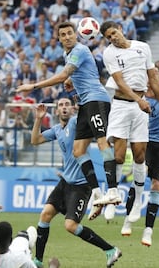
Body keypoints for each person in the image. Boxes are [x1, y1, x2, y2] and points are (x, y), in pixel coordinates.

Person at [16, 21, 120, 221]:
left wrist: (34, 86)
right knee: (78, 150)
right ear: (59, 38)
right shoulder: (68, 55)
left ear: (77, 34)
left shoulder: (80, 50)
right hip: (85, 104)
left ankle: (113, 190)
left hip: (97, 99)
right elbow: (78, 75)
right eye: (62, 35)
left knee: (101, 142)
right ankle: (97, 193)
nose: (67, 37)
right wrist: (73, 83)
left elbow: (64, 74)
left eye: (70, 33)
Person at [30, 99, 121, 268]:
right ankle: (38, 261)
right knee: (45, 215)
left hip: (81, 185)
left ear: (72, 109)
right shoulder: (57, 130)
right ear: (57, 111)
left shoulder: (76, 123)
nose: (64, 107)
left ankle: (110, 250)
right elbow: (34, 140)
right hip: (65, 182)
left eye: (66, 104)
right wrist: (38, 119)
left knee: (70, 226)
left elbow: (87, 116)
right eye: (60, 105)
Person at [100, 21, 159, 220]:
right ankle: (112, 197)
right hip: (121, 105)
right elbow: (119, 82)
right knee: (119, 156)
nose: (112, 38)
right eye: (108, 37)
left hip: (140, 105)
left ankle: (137, 202)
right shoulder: (109, 53)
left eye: (113, 33)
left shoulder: (143, 47)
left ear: (120, 28)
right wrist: (138, 100)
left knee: (139, 156)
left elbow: (153, 78)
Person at [120, 67, 159, 247]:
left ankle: (148, 230)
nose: (151, 77)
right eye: (148, 75)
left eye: (154, 74)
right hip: (145, 140)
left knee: (157, 184)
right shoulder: (139, 93)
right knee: (140, 174)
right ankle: (129, 218)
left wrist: (151, 96)